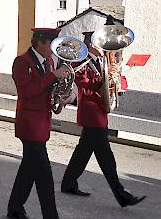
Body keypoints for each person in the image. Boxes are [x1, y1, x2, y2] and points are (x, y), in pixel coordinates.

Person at [7, 28, 78, 219]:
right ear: (40, 43)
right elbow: (27, 92)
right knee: (45, 177)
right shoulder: (22, 61)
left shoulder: (49, 62)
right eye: (52, 45)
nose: (54, 50)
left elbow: (52, 89)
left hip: (42, 123)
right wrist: (52, 76)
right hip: (29, 124)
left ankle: (15, 207)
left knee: (28, 169)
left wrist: (66, 95)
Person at [61, 31, 145, 207]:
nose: (104, 48)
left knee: (83, 153)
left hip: (100, 113)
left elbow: (109, 81)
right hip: (91, 114)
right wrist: (104, 81)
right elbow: (84, 84)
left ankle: (68, 183)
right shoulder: (81, 61)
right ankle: (121, 195)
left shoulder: (103, 61)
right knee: (106, 157)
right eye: (101, 44)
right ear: (92, 44)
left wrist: (116, 79)